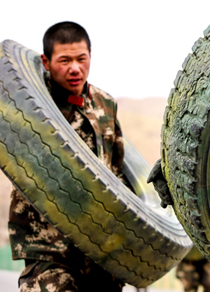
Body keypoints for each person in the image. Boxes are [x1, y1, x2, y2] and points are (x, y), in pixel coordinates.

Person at [8, 21, 128, 291]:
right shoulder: (30, 103)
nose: (75, 68)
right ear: (46, 62)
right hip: (49, 246)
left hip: (100, 250)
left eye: (81, 59)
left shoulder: (104, 103)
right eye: (64, 60)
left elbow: (117, 168)